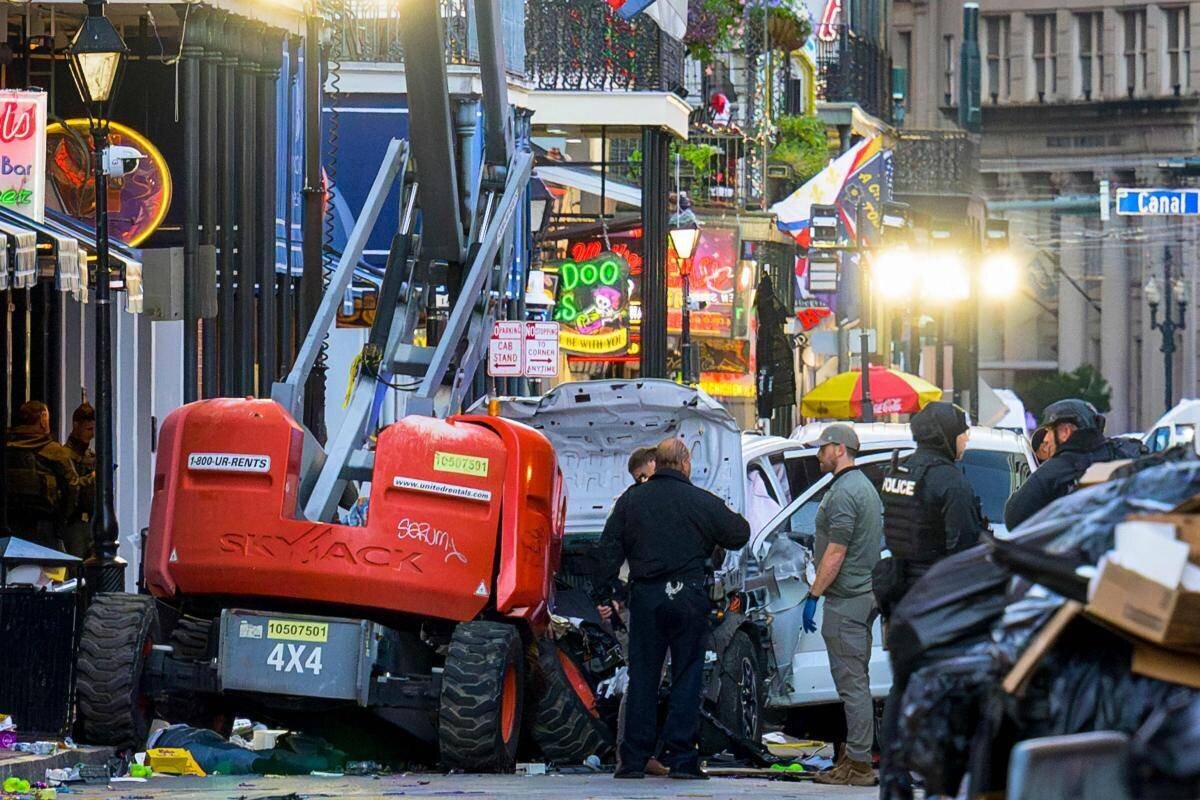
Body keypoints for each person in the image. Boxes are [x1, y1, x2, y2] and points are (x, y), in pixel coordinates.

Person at [593, 437, 750, 780]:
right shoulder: (700, 501)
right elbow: (739, 533)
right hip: (689, 596)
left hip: (647, 598)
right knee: (687, 676)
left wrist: (609, 593)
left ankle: (633, 760)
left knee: (643, 679)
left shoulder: (631, 501)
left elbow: (605, 552)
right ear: (685, 463)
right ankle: (682, 760)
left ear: (657, 463)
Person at [876, 401, 984, 800]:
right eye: (962, 432)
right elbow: (965, 550)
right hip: (938, 600)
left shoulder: (898, 471)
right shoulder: (949, 483)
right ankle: (941, 779)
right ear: (944, 435)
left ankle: (894, 778)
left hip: (900, 593)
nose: (966, 439)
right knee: (948, 690)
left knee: (902, 687)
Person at [803, 425, 883, 788]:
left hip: (847, 599)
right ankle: (852, 758)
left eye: (823, 449)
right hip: (860, 595)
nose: (819, 455)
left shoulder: (845, 491)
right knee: (855, 680)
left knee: (852, 684)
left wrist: (813, 594)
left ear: (839, 449)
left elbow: (836, 552)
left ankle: (861, 765)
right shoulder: (862, 486)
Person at [1004, 399, 1144, 530]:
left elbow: (1013, 518)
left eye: (1049, 431)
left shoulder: (1054, 470)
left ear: (1065, 431)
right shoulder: (1126, 454)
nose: (1046, 439)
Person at [5, 401, 84, 551]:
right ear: (42, 418)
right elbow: (72, 486)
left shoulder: (8, 447)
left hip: (9, 525)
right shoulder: (53, 450)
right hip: (44, 526)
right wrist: (63, 517)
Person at [61, 402, 97, 559]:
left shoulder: (90, 455)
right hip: (73, 523)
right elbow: (71, 487)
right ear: (76, 425)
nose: (92, 435)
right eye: (89, 429)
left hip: (90, 521)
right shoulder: (64, 455)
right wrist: (94, 477)